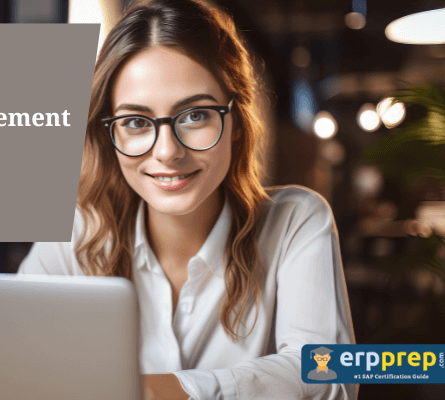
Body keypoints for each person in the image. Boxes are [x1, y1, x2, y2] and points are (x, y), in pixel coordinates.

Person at [18, 0, 357, 399]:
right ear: (109, 135)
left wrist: (165, 391)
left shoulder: (296, 222)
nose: (166, 151)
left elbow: (328, 375)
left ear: (235, 121)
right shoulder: (77, 231)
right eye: (136, 122)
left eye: (195, 115)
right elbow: (16, 361)